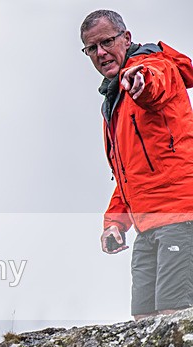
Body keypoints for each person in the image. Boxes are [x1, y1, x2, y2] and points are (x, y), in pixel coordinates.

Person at [81, 10, 193, 319]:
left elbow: (153, 84)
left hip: (181, 218)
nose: (101, 52)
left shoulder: (156, 65)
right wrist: (114, 223)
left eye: (107, 42)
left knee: (174, 318)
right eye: (92, 48)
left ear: (126, 38)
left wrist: (140, 81)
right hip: (147, 226)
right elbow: (128, 174)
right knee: (143, 322)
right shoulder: (114, 101)